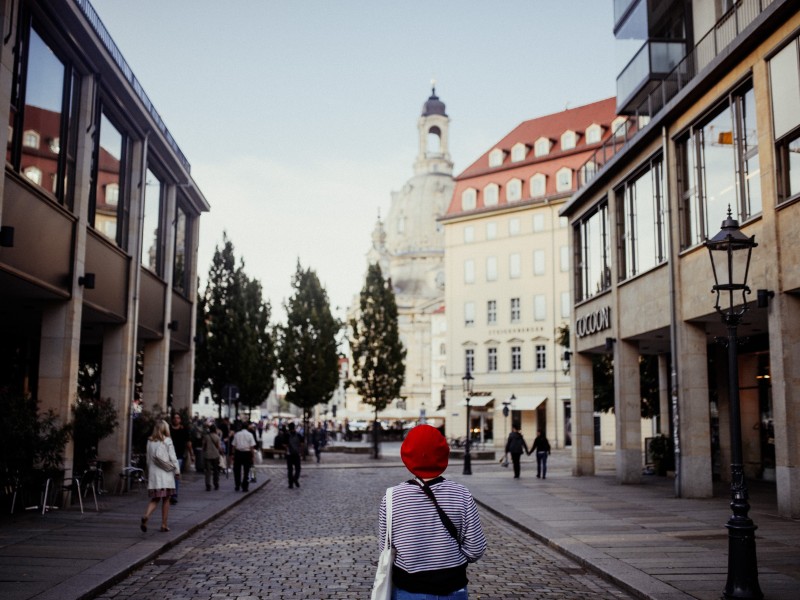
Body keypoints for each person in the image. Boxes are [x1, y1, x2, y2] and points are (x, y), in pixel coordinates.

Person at [378, 424, 486, 598]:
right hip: (453, 588)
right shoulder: (462, 494)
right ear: (444, 454)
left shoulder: (392, 498)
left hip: (409, 590)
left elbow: (386, 549)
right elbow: (476, 548)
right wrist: (451, 558)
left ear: (406, 456)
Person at [140, 420, 179, 533]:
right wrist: (177, 471)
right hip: (166, 475)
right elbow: (173, 458)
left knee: (155, 499)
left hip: (154, 476)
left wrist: (149, 472)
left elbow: (148, 460)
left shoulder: (150, 441)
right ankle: (164, 524)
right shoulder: (167, 441)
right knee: (166, 499)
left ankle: (146, 516)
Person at [169, 412, 192, 504]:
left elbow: (188, 443)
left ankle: (174, 494)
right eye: (175, 418)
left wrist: (192, 454)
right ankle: (168, 493)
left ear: (180, 420)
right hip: (168, 456)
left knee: (176, 476)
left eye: (178, 418)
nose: (176, 419)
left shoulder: (184, 430)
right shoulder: (168, 429)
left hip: (178, 456)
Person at [231, 422, 257, 492]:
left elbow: (233, 445)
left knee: (237, 470)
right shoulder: (250, 435)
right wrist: (253, 455)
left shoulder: (237, 434)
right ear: (247, 427)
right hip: (247, 453)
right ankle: (245, 486)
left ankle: (237, 485)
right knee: (247, 471)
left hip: (238, 453)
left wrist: (233, 454)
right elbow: (252, 447)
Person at [202, 423, 222, 491]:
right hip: (216, 455)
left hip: (207, 455)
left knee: (208, 471)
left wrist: (204, 451)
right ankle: (216, 483)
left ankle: (208, 485)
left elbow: (204, 446)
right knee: (216, 470)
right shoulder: (217, 437)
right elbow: (219, 447)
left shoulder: (206, 436)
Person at [283, 422, 303, 488]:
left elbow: (285, 445)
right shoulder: (298, 435)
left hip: (289, 454)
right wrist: (300, 452)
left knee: (290, 470)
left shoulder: (286, 435)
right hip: (297, 454)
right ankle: (295, 479)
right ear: (294, 427)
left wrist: (287, 449)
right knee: (298, 469)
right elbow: (301, 444)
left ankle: (290, 484)